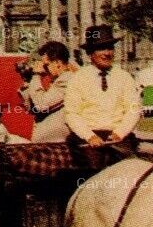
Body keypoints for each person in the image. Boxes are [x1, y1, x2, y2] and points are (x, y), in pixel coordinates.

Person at [63, 25, 143, 167]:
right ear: (90, 53)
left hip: (118, 137)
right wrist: (89, 136)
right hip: (88, 137)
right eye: (101, 49)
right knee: (94, 172)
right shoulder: (78, 79)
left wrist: (120, 132)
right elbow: (72, 114)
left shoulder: (124, 77)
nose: (107, 53)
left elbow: (133, 109)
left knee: (130, 171)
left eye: (110, 48)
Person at [19, 40, 77, 143]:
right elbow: (32, 110)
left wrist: (36, 76)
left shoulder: (67, 79)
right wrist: (28, 81)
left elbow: (41, 105)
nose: (44, 69)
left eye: (46, 65)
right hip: (48, 143)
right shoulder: (57, 81)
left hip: (59, 144)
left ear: (58, 63)